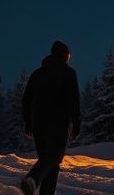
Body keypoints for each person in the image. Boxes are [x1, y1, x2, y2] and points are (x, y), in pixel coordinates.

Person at [20, 40, 81, 195]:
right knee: (53, 157)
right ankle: (32, 179)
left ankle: (37, 184)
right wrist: (76, 123)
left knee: (50, 165)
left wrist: (28, 123)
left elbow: (26, 100)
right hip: (58, 124)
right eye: (68, 55)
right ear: (65, 56)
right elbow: (73, 99)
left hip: (38, 125)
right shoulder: (68, 73)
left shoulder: (37, 74)